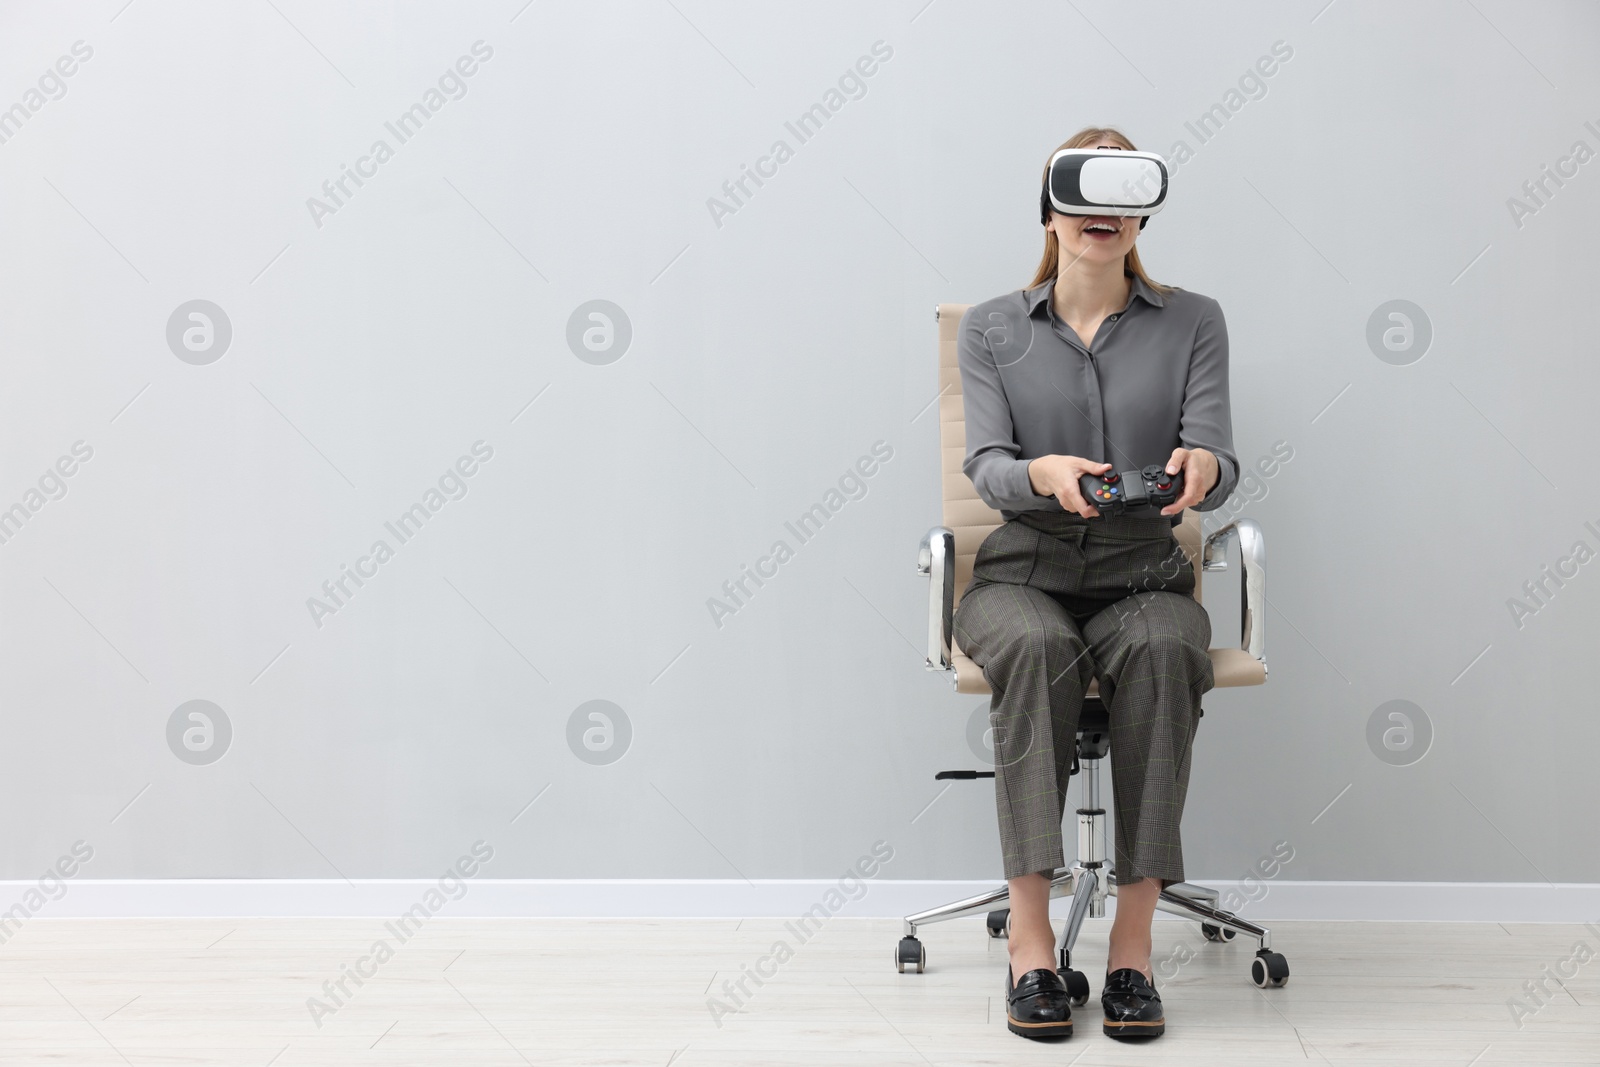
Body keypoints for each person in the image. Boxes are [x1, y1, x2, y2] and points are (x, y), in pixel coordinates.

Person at [953, 126, 1238, 1041]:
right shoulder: (994, 327)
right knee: (1035, 644)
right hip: (1023, 567)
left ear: (1143, 210)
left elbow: (1219, 455)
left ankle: (1132, 947)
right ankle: (1030, 944)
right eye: (1080, 194)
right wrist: (1043, 474)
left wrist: (1204, 465)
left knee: (1162, 645)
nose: (1100, 215)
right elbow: (987, 464)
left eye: (1120, 197)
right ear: (1050, 207)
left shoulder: (1194, 319)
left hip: (1145, 568)